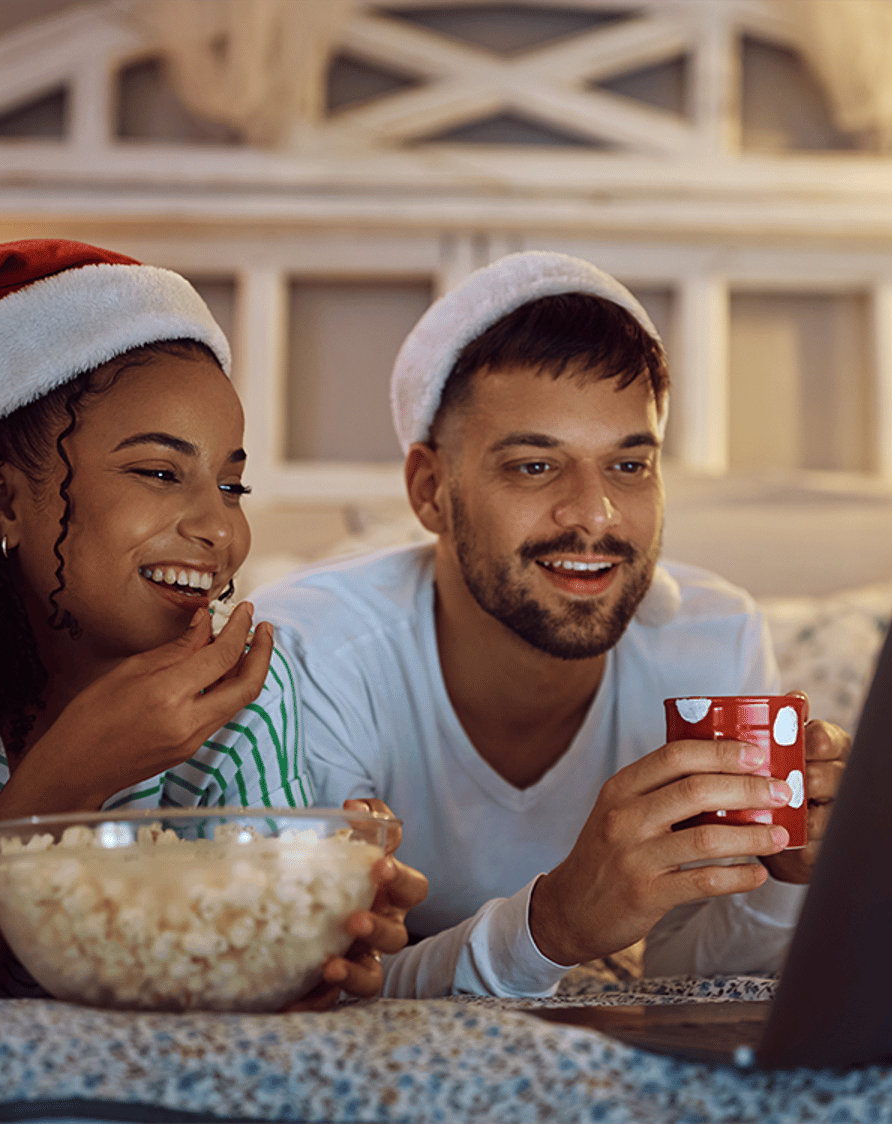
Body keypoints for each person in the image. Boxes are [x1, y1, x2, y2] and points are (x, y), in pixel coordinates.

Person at [0, 239, 424, 1001]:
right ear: (2, 498)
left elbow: (214, 964)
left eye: (233, 486)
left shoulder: (237, 690)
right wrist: (74, 774)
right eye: (160, 473)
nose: (218, 529)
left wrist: (316, 944)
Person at [252, 251, 850, 998]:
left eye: (629, 467)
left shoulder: (713, 641)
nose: (594, 514)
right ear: (431, 489)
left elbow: (686, 974)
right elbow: (310, 988)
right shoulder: (312, 654)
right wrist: (551, 927)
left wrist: (787, 877)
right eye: (535, 467)